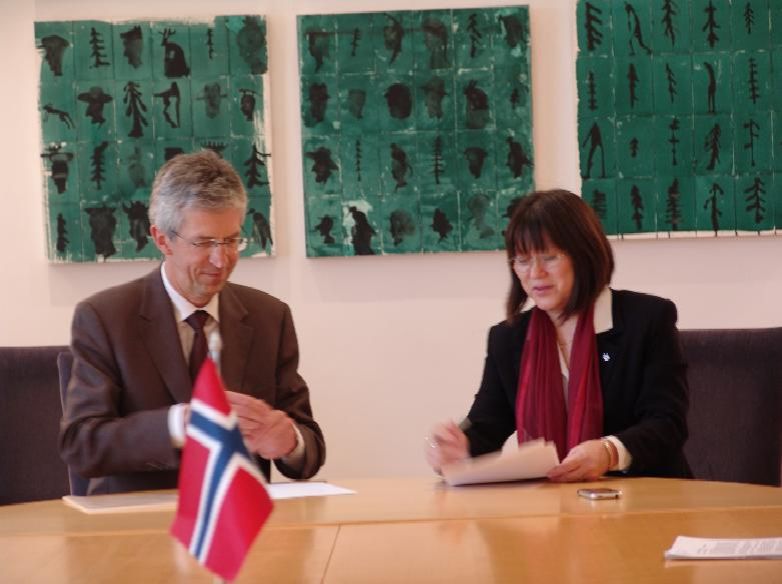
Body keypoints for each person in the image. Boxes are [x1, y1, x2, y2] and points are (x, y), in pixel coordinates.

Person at [60, 150, 325, 494]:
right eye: (203, 243)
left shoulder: (269, 317)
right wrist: (177, 425)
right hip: (138, 517)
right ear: (162, 239)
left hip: (238, 515)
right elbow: (81, 445)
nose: (221, 260)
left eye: (231, 240)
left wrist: (290, 441)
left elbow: (309, 449)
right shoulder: (105, 318)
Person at [426, 189, 690, 481]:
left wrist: (609, 452)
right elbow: (487, 427)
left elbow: (667, 423)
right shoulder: (509, 339)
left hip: (647, 495)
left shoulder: (647, 319)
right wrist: (457, 448)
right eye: (522, 260)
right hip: (553, 501)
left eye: (549, 257)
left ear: (584, 254)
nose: (535, 273)